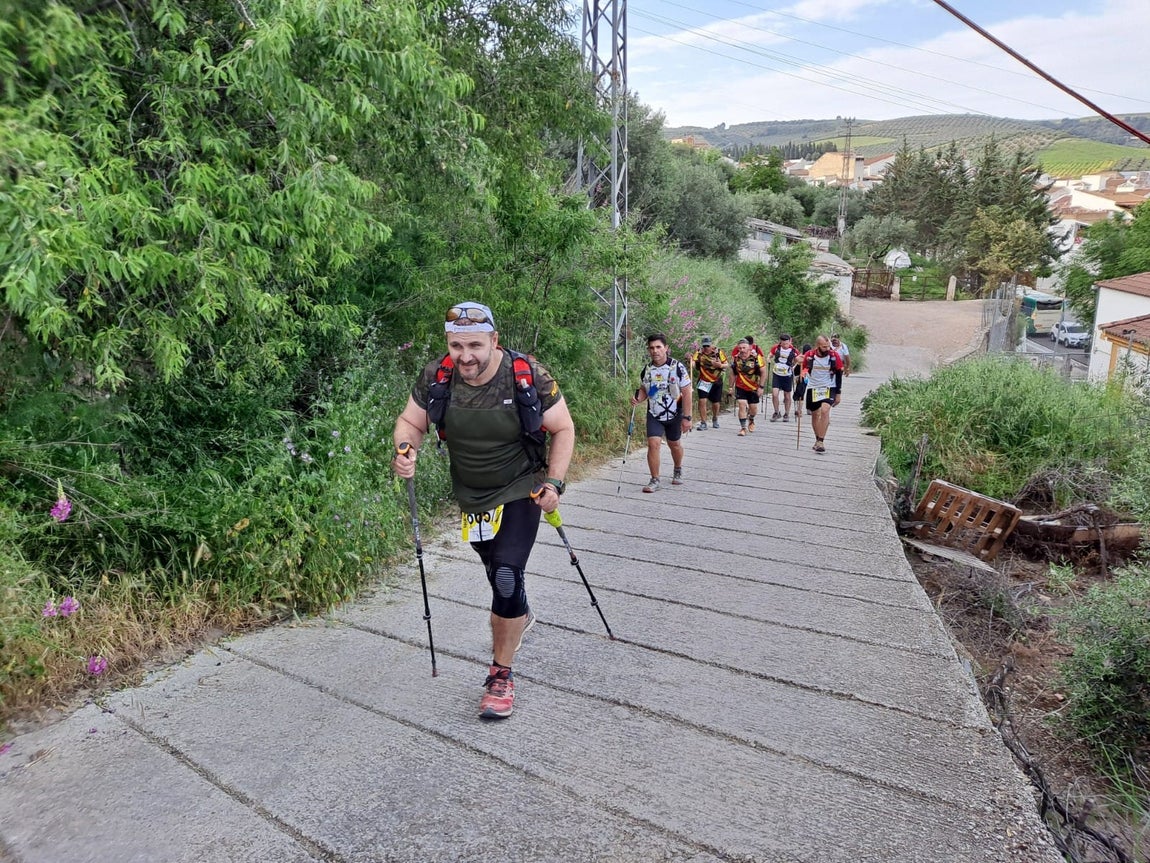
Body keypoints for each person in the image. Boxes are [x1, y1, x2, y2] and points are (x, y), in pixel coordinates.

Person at [392, 301, 575, 721]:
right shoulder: (437, 377)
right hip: (472, 495)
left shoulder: (527, 375)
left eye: (475, 344)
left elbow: (563, 428)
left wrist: (555, 482)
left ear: (494, 340)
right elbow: (411, 422)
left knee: (507, 575)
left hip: (520, 486)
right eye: (457, 346)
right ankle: (520, 613)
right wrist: (404, 450)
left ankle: (501, 675)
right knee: (498, 574)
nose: (465, 356)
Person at [632, 333, 691, 492]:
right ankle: (654, 479)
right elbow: (647, 390)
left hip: (674, 412)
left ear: (666, 348)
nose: (655, 351)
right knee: (653, 443)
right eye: (651, 348)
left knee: (675, 444)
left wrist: (687, 417)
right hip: (654, 413)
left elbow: (686, 392)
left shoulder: (677, 367)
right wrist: (639, 398)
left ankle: (677, 469)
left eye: (658, 347)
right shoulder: (647, 370)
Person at [800, 335, 844, 453]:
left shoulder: (834, 356)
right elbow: (802, 370)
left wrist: (838, 393)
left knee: (825, 410)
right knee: (815, 415)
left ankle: (821, 440)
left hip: (829, 387)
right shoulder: (809, 356)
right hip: (813, 387)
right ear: (818, 346)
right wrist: (799, 366)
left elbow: (839, 374)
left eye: (829, 346)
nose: (828, 349)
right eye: (824, 347)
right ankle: (817, 439)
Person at [729, 338, 766, 436]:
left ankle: (751, 419)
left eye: (744, 348)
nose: (742, 350)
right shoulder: (736, 359)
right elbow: (732, 373)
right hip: (740, 386)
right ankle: (743, 428)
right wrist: (730, 387)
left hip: (753, 386)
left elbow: (763, 372)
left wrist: (761, 387)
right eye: (740, 348)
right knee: (742, 404)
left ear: (749, 348)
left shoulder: (757, 358)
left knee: (753, 408)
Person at [690, 336, 727, 430]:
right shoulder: (699, 352)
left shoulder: (719, 352)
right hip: (704, 380)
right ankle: (703, 422)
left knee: (716, 403)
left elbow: (727, 364)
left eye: (708, 346)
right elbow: (693, 362)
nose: (706, 348)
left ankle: (715, 418)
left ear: (711, 345)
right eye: (704, 346)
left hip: (716, 380)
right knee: (702, 401)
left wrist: (720, 365)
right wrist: (692, 364)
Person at [766, 333, 802, 422]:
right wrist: (768, 358)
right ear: (780, 342)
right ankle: (776, 412)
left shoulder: (794, 351)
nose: (785, 345)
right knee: (774, 394)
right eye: (783, 344)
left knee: (787, 395)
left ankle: (786, 413)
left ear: (790, 341)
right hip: (777, 374)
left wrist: (794, 366)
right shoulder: (776, 348)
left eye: (786, 343)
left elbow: (799, 360)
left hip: (787, 375)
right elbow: (770, 354)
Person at [793, 342, 812, 419]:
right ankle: (799, 410)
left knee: (800, 393)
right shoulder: (805, 357)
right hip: (803, 377)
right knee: (801, 393)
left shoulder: (802, 357)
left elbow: (795, 370)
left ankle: (799, 410)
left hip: (803, 376)